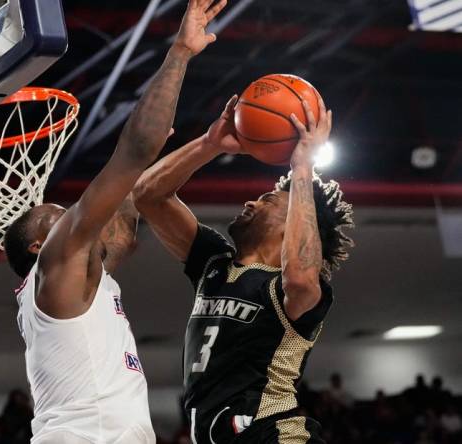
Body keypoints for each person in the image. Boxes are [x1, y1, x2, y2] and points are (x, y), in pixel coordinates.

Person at [2, 0, 228, 442]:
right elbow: (133, 153)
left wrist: (207, 144)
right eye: (59, 216)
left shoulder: (83, 279)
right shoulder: (58, 260)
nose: (70, 216)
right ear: (38, 247)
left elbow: (123, 226)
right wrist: (179, 53)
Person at [133, 88, 354, 441]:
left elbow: (299, 277)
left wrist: (302, 167)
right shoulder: (213, 262)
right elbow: (147, 195)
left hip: (271, 433)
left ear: (291, 225)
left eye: (267, 200)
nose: (251, 201)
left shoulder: (295, 289)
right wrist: (209, 144)